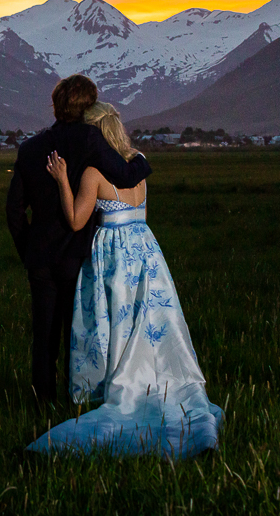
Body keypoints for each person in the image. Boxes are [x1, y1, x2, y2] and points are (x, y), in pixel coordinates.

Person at [26, 102, 222, 459]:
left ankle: (105, 387)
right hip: (145, 250)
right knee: (145, 321)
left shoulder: (94, 173)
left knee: (111, 320)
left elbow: (75, 220)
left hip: (112, 255)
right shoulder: (138, 164)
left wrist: (60, 181)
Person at [7, 76, 152, 407]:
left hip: (40, 257)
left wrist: (28, 250)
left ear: (56, 104)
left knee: (44, 335)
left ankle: (41, 401)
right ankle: (78, 398)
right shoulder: (90, 139)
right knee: (80, 331)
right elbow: (126, 175)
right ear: (88, 104)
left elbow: (13, 210)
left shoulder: (29, 149)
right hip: (79, 254)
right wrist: (143, 159)